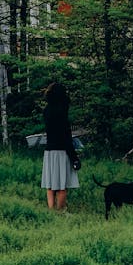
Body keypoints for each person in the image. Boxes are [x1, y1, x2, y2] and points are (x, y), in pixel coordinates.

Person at [40, 81, 80, 211]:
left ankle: (51, 210)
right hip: (62, 152)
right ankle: (60, 211)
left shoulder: (46, 111)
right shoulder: (62, 112)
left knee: (50, 185)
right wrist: (74, 157)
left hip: (49, 151)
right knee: (62, 186)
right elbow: (66, 137)